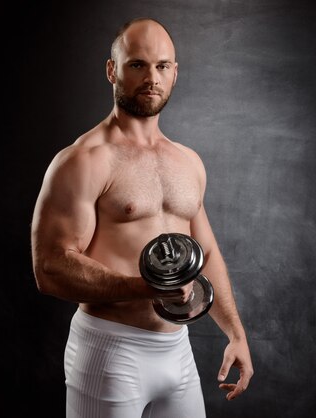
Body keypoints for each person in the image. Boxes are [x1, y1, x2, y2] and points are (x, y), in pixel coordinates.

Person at [30, 17, 254, 418]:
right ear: (112, 69)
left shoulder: (187, 162)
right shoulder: (83, 160)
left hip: (177, 351)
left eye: (162, 66)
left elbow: (206, 251)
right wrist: (146, 288)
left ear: (175, 73)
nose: (152, 77)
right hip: (110, 351)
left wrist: (235, 332)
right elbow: (50, 267)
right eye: (137, 64)